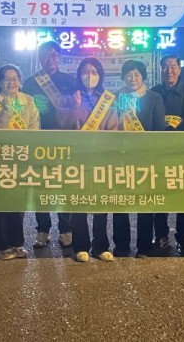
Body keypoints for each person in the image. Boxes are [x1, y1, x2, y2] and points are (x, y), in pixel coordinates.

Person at [22, 41, 75, 248]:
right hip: (38, 139)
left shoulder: (70, 81)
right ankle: (42, 229)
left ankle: (66, 229)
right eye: (45, 55)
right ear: (39, 58)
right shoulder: (30, 83)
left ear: (59, 58)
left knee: (64, 185)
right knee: (40, 185)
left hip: (64, 139)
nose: (50, 58)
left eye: (54, 55)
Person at [63, 57, 118, 262]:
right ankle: (80, 246)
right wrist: (75, 108)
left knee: (100, 202)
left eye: (94, 72)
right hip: (77, 156)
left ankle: (100, 246)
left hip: (101, 156)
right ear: (79, 75)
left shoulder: (107, 99)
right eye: (85, 72)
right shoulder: (69, 97)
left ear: (100, 75)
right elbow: (62, 125)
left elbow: (113, 128)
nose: (90, 76)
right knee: (79, 202)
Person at [0, 64, 40, 260]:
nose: (11, 82)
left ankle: (17, 243)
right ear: (0, 82)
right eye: (7, 79)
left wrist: (27, 145)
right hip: (1, 156)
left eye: (15, 78)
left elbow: (34, 124)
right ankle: (0, 245)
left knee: (18, 201)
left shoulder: (28, 100)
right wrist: (7, 107)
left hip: (22, 155)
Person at [112, 59, 166, 258]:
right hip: (121, 156)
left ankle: (144, 246)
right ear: (122, 77)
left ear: (143, 77)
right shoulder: (116, 97)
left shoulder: (154, 98)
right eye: (128, 74)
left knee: (145, 202)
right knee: (120, 201)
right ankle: (121, 245)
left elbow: (159, 128)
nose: (132, 78)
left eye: (137, 74)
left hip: (146, 156)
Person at [150, 53, 184, 256]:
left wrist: (171, 132)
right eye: (165, 67)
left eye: (172, 66)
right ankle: (161, 236)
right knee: (158, 194)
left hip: (182, 151)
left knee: (182, 196)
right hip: (158, 151)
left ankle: (183, 238)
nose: (168, 70)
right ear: (160, 70)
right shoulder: (153, 92)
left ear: (179, 69)